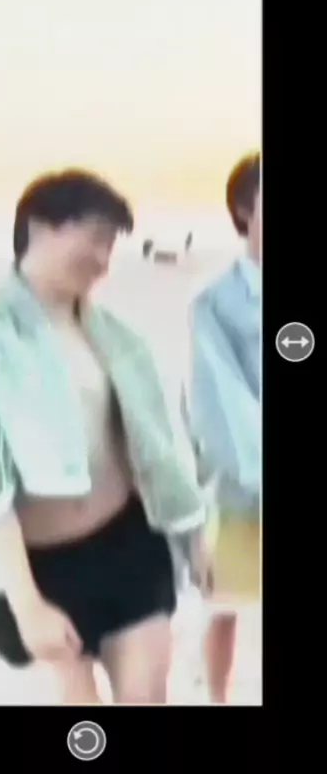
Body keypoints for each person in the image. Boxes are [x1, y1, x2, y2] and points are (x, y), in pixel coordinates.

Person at [0, 169, 212, 705]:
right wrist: (27, 604)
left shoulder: (115, 336)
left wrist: (194, 540)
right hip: (43, 567)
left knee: (145, 696)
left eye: (111, 245)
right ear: (40, 227)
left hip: (129, 543)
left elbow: (157, 450)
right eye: (95, 237)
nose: (103, 259)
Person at [187, 152, 261, 703]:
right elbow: (221, 399)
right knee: (225, 605)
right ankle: (217, 698)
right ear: (243, 209)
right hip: (240, 480)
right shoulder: (214, 303)